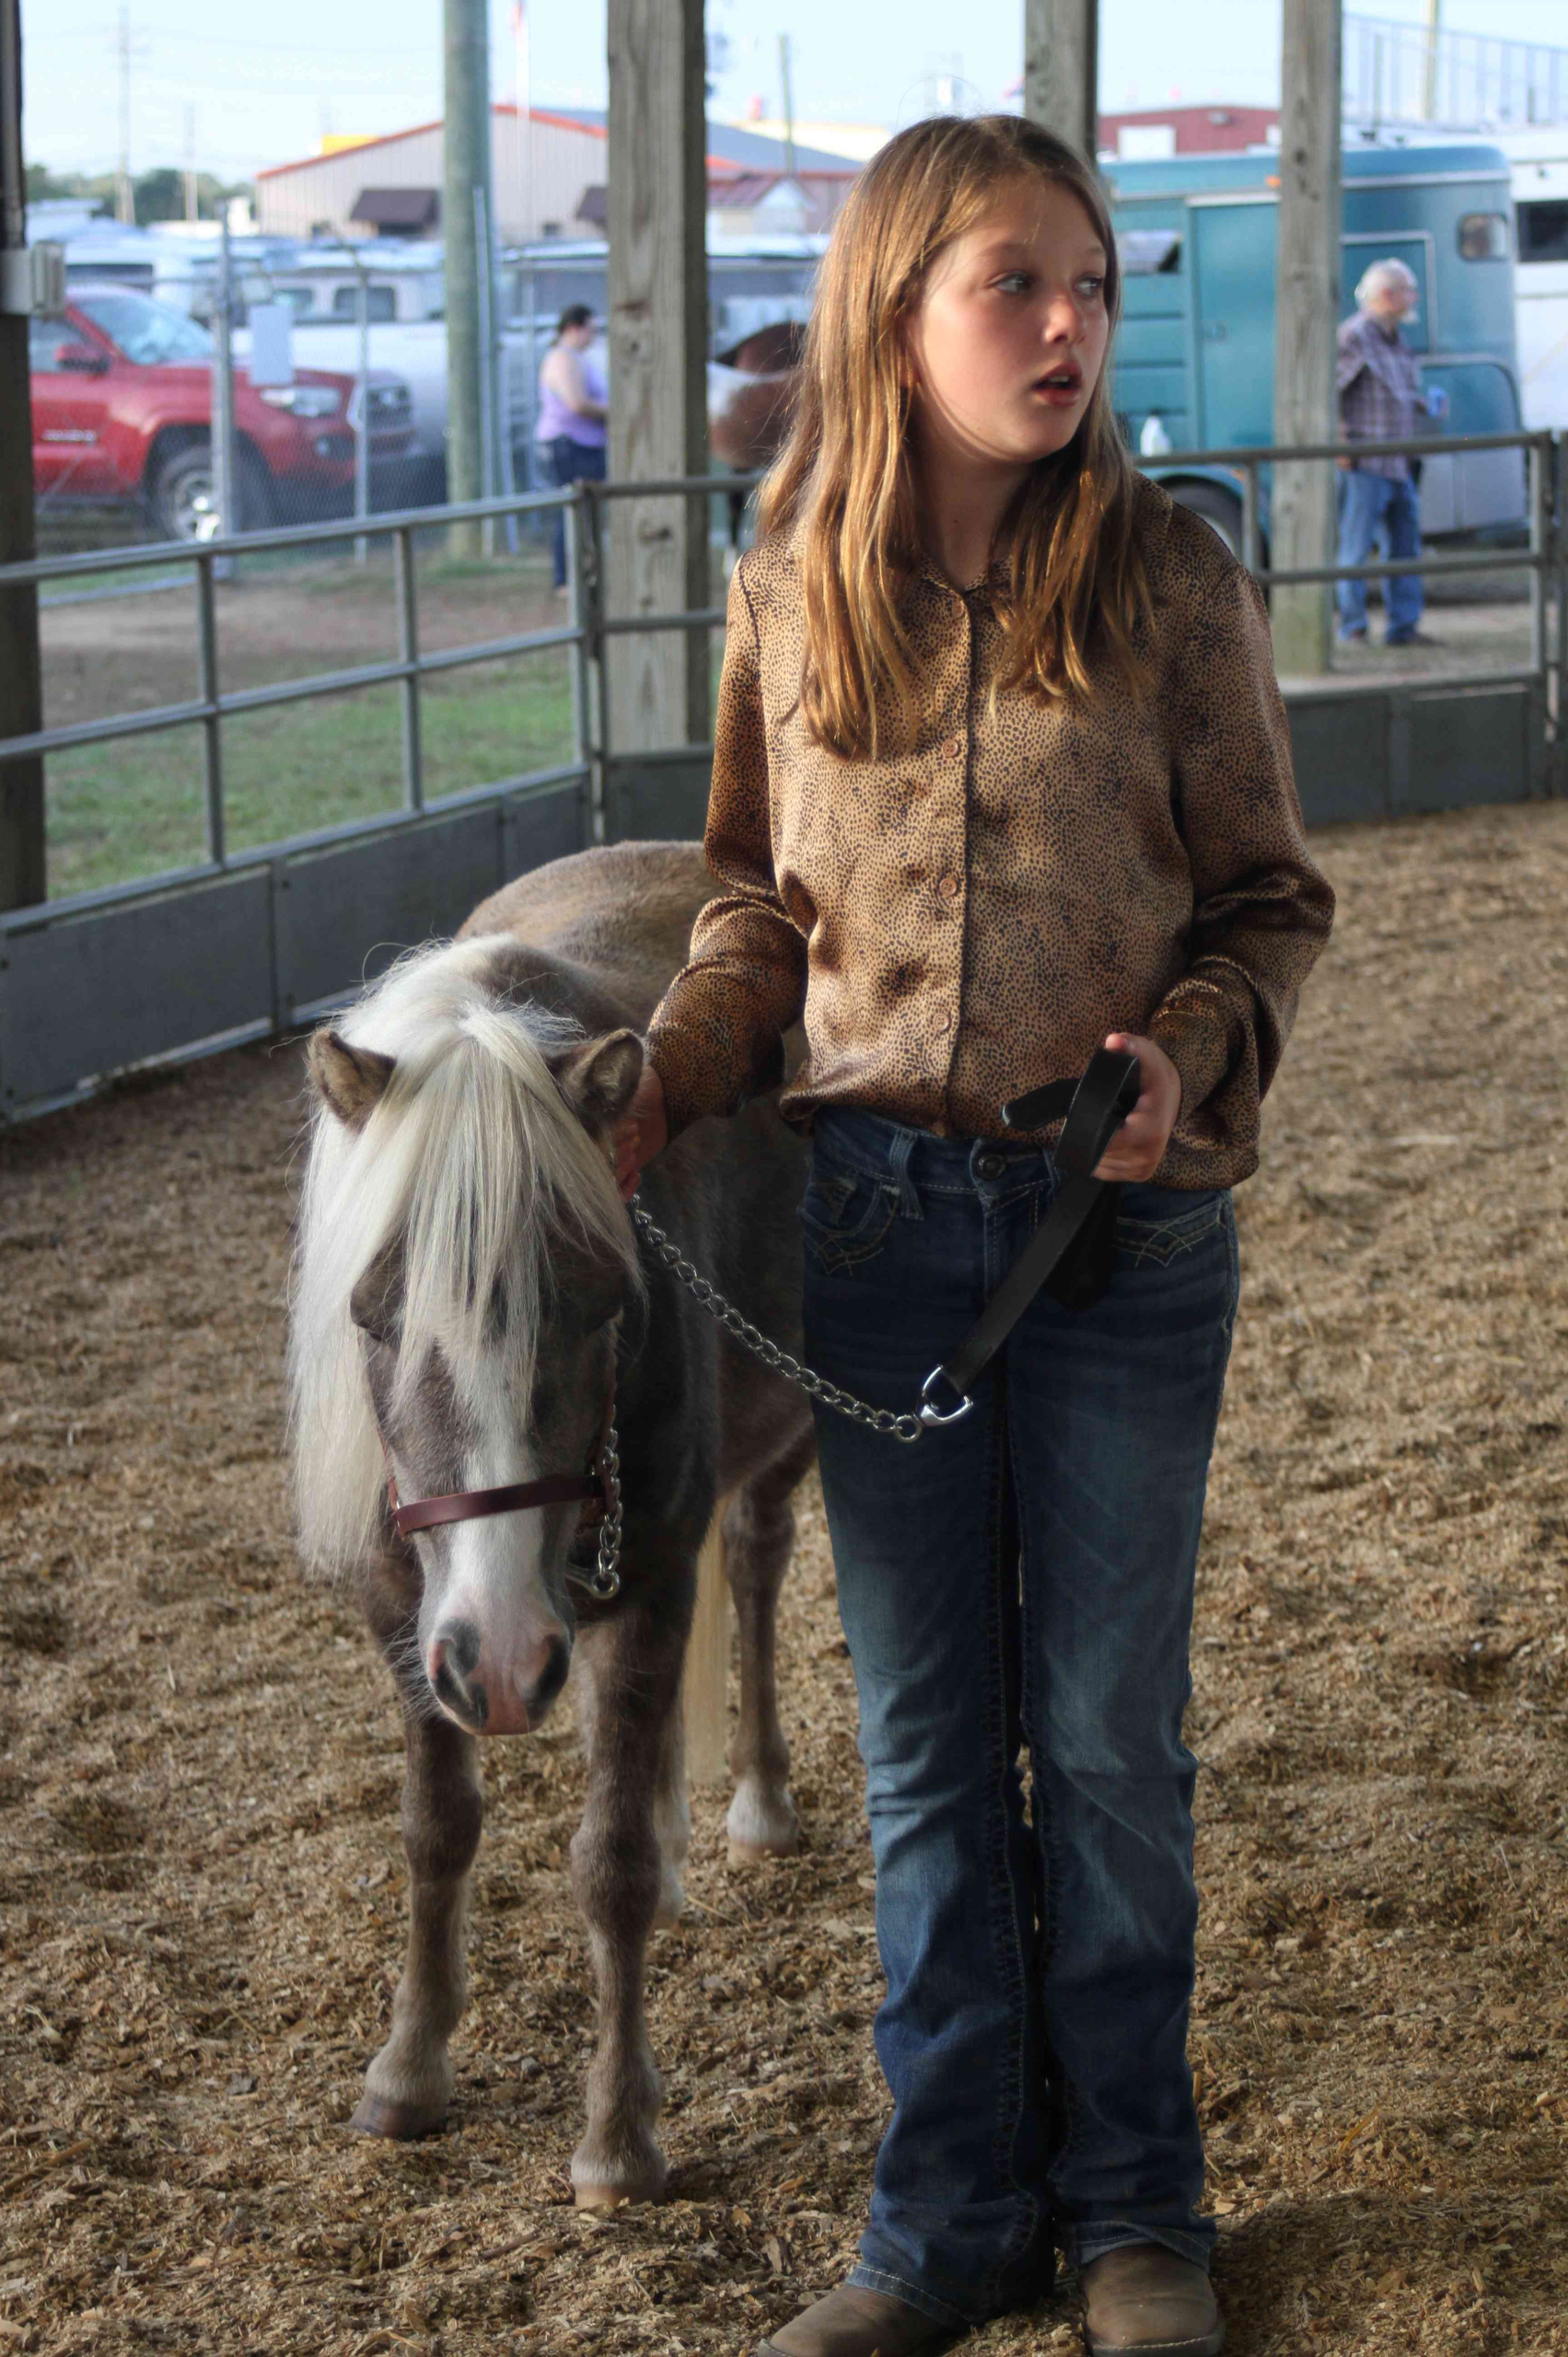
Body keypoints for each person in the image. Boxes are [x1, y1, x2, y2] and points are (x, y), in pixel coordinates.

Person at [615, 115, 1334, 2357]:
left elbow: (1264, 899)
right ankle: (940, 2225)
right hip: (872, 1223)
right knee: (925, 1751)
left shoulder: (1168, 576)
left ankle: (1136, 2210)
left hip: (1108, 1239)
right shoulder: (784, 567)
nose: (1064, 327)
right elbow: (753, 893)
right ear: (889, 306)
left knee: (1104, 1738)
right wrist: (668, 1063)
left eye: (1089, 288)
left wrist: (1180, 1057)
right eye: (1012, 285)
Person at [1335, 259, 1448, 648]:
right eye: (1409, 291)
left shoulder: (1396, 339)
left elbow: (1392, 393)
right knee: (1355, 548)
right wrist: (1340, 444)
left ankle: (1403, 627)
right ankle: (1353, 627)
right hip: (1365, 462)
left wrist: (1422, 405)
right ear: (1387, 295)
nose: (1414, 299)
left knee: (1405, 548)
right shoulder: (1353, 336)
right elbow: (1326, 392)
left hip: (1399, 462)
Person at [535, 301, 608, 593]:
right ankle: (565, 579)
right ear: (574, 328)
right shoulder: (563, 360)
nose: (593, 336)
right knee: (572, 513)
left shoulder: (577, 359)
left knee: (584, 515)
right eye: (591, 329)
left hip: (583, 446)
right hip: (568, 446)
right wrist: (616, 413)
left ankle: (580, 575)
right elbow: (577, 403)